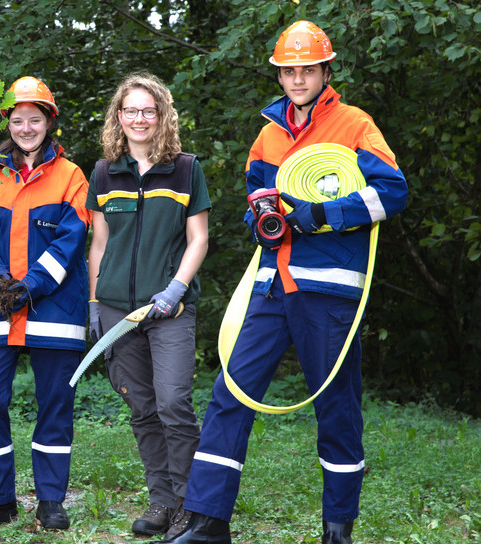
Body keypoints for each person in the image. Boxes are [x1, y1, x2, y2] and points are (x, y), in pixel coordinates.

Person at [160, 21, 408, 544]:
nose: (297, 79)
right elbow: (254, 207)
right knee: (231, 394)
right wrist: (262, 220)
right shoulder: (268, 134)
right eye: (288, 70)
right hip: (273, 288)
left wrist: (315, 215)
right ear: (280, 74)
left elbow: (391, 194)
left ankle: (337, 530)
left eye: (307, 69)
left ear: (325, 70)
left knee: (336, 407)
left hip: (332, 294)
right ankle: (208, 522)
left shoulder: (354, 123)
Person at [0, 76, 90, 530]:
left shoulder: (72, 177)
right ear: (6, 123)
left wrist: (29, 287)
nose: (27, 127)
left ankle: (51, 500)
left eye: (35, 119)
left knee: (55, 402)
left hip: (53, 308)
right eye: (18, 120)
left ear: (49, 122)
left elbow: (71, 242)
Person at [86, 72, 210, 539]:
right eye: (130, 110)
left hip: (169, 311)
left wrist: (176, 289)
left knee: (174, 403)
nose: (139, 118)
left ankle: (190, 506)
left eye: (148, 110)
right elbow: (99, 244)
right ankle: (161, 501)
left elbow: (198, 238)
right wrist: (96, 304)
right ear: (119, 117)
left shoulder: (185, 168)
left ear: (162, 116)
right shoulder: (104, 172)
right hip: (118, 312)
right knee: (141, 408)